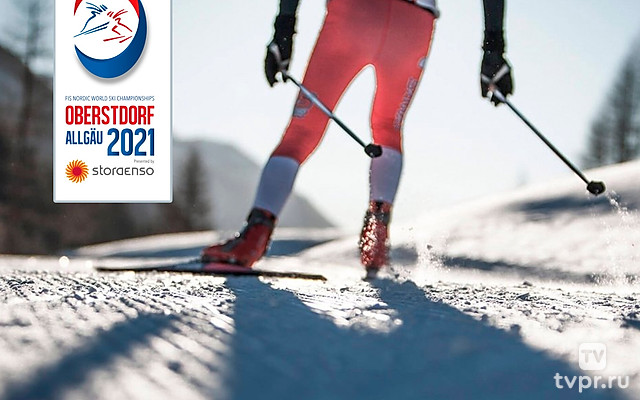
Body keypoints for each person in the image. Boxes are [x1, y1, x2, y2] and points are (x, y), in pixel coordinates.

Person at [202, 0, 514, 273]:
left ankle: (254, 237)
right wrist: (494, 50)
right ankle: (377, 236)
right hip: (413, 24)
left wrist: (283, 28)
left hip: (355, 14)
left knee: (302, 132)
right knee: (388, 126)